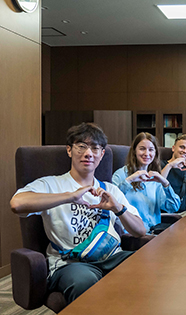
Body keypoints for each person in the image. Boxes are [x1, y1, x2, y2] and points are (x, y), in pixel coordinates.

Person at [10, 123, 146, 303]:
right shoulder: (52, 185)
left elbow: (140, 231)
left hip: (112, 258)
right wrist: (68, 196)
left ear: (101, 154)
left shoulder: (111, 190)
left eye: (95, 148)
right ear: (69, 150)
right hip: (70, 264)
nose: (88, 153)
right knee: (86, 283)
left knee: (145, 270)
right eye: (81, 146)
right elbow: (17, 204)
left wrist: (118, 208)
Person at [112, 133, 181, 233]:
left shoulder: (155, 178)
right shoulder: (120, 175)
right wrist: (129, 181)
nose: (147, 153)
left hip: (155, 235)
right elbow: (112, 203)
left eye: (151, 149)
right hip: (132, 236)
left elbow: (173, 207)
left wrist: (165, 183)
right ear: (134, 151)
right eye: (142, 149)